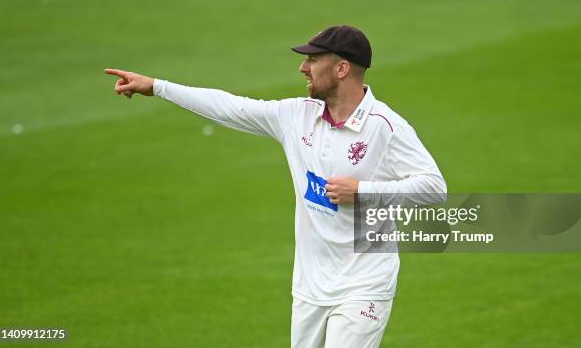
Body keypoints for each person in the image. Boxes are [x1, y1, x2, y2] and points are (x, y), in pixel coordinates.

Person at [105, 25, 446, 348]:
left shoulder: (385, 127)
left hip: (364, 285)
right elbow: (230, 106)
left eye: (313, 59)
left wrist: (362, 191)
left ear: (342, 68)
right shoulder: (295, 116)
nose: (303, 67)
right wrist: (158, 86)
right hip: (310, 288)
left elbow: (434, 189)